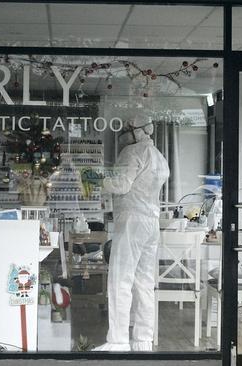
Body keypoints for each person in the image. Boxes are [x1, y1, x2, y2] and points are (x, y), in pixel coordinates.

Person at [93, 113, 170, 352]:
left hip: (131, 220)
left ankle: (118, 340)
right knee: (144, 282)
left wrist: (96, 179)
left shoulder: (132, 152)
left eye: (126, 128)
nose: (123, 133)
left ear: (136, 131)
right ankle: (143, 340)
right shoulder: (159, 156)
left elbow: (121, 184)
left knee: (120, 279)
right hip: (151, 222)